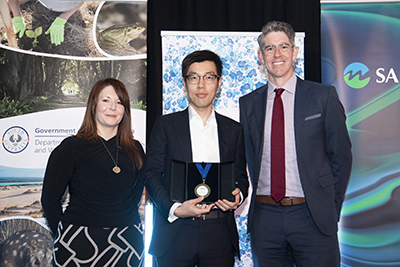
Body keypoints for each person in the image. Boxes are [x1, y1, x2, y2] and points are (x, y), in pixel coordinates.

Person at [239, 21, 352, 267]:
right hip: (265, 218)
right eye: (269, 49)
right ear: (261, 56)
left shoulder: (323, 97)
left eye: (283, 47)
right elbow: (246, 156)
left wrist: (330, 208)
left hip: (312, 216)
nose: (277, 55)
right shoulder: (248, 104)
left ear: (294, 52)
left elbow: (341, 157)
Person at [144, 50, 249, 267]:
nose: (201, 85)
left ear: (219, 83)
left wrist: (238, 195)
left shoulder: (234, 129)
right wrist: (175, 209)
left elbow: (240, 176)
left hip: (219, 233)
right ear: (184, 83)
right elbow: (151, 174)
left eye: (209, 77)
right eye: (194, 77)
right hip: (176, 231)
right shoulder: (166, 125)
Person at [41, 78, 145, 266]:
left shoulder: (136, 149)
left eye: (119, 102)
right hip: (77, 242)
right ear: (93, 105)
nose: (113, 107)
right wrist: (64, 234)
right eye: (106, 100)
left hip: (127, 241)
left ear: (125, 110)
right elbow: (49, 199)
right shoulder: (70, 148)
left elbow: (136, 194)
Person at [8, 0, 84, 46]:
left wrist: (63, 18)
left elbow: (81, 1)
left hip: (68, 3)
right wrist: (17, 18)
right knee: (8, 7)